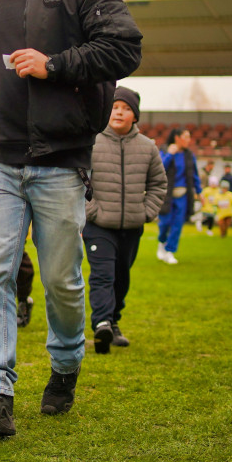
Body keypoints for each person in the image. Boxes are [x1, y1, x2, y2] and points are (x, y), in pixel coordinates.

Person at [0, 0, 143, 437]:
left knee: (62, 281)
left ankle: (65, 367)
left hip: (61, 164)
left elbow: (125, 47)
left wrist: (55, 65)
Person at [83, 87, 166, 354]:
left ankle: (113, 321)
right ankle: (102, 324)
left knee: (122, 277)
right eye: (115, 107)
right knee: (102, 275)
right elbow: (79, 181)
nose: (119, 112)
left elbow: (158, 184)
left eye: (126, 108)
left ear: (135, 115)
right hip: (98, 226)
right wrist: (91, 211)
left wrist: (146, 212)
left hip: (132, 227)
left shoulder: (148, 148)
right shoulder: (91, 142)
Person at [156, 128, 201, 265]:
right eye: (186, 137)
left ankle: (170, 251)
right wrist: (170, 154)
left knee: (177, 225)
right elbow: (159, 168)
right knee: (165, 223)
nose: (189, 140)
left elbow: (194, 175)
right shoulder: (164, 150)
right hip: (166, 194)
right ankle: (161, 242)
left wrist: (199, 192)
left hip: (183, 195)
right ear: (177, 138)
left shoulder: (189, 155)